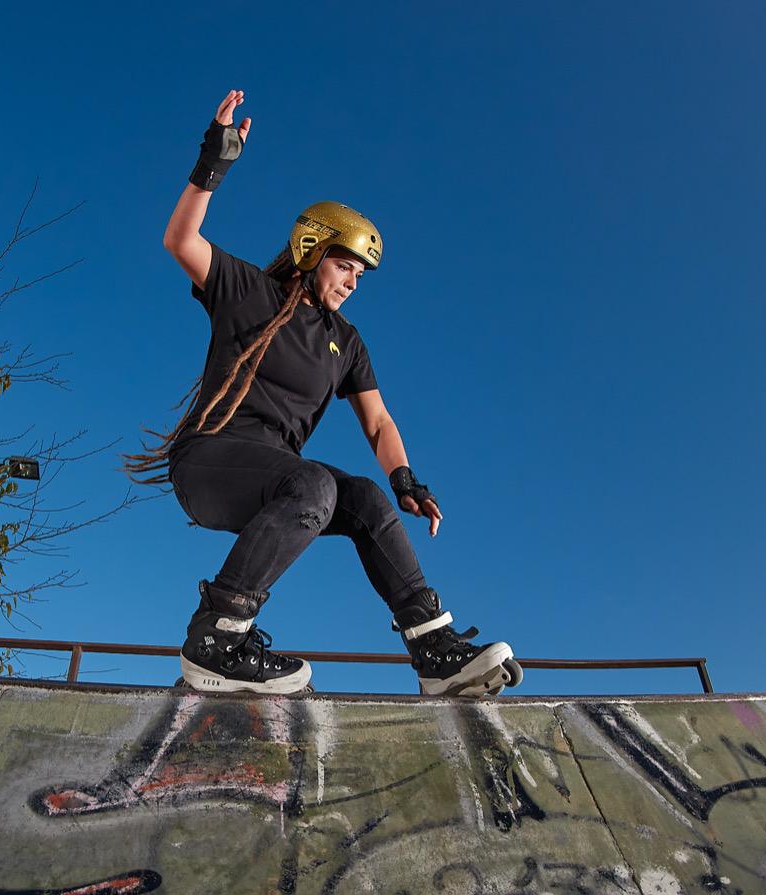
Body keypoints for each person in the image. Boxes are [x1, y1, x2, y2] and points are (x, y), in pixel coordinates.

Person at [125, 90, 518, 698]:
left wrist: (405, 478)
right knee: (314, 483)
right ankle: (216, 639)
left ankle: (436, 652)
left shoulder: (347, 341)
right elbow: (180, 240)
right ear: (312, 250)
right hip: (210, 461)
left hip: (275, 478)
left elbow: (378, 420)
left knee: (361, 497)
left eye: (360, 276)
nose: (353, 284)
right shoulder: (248, 291)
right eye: (345, 268)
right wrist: (214, 163)